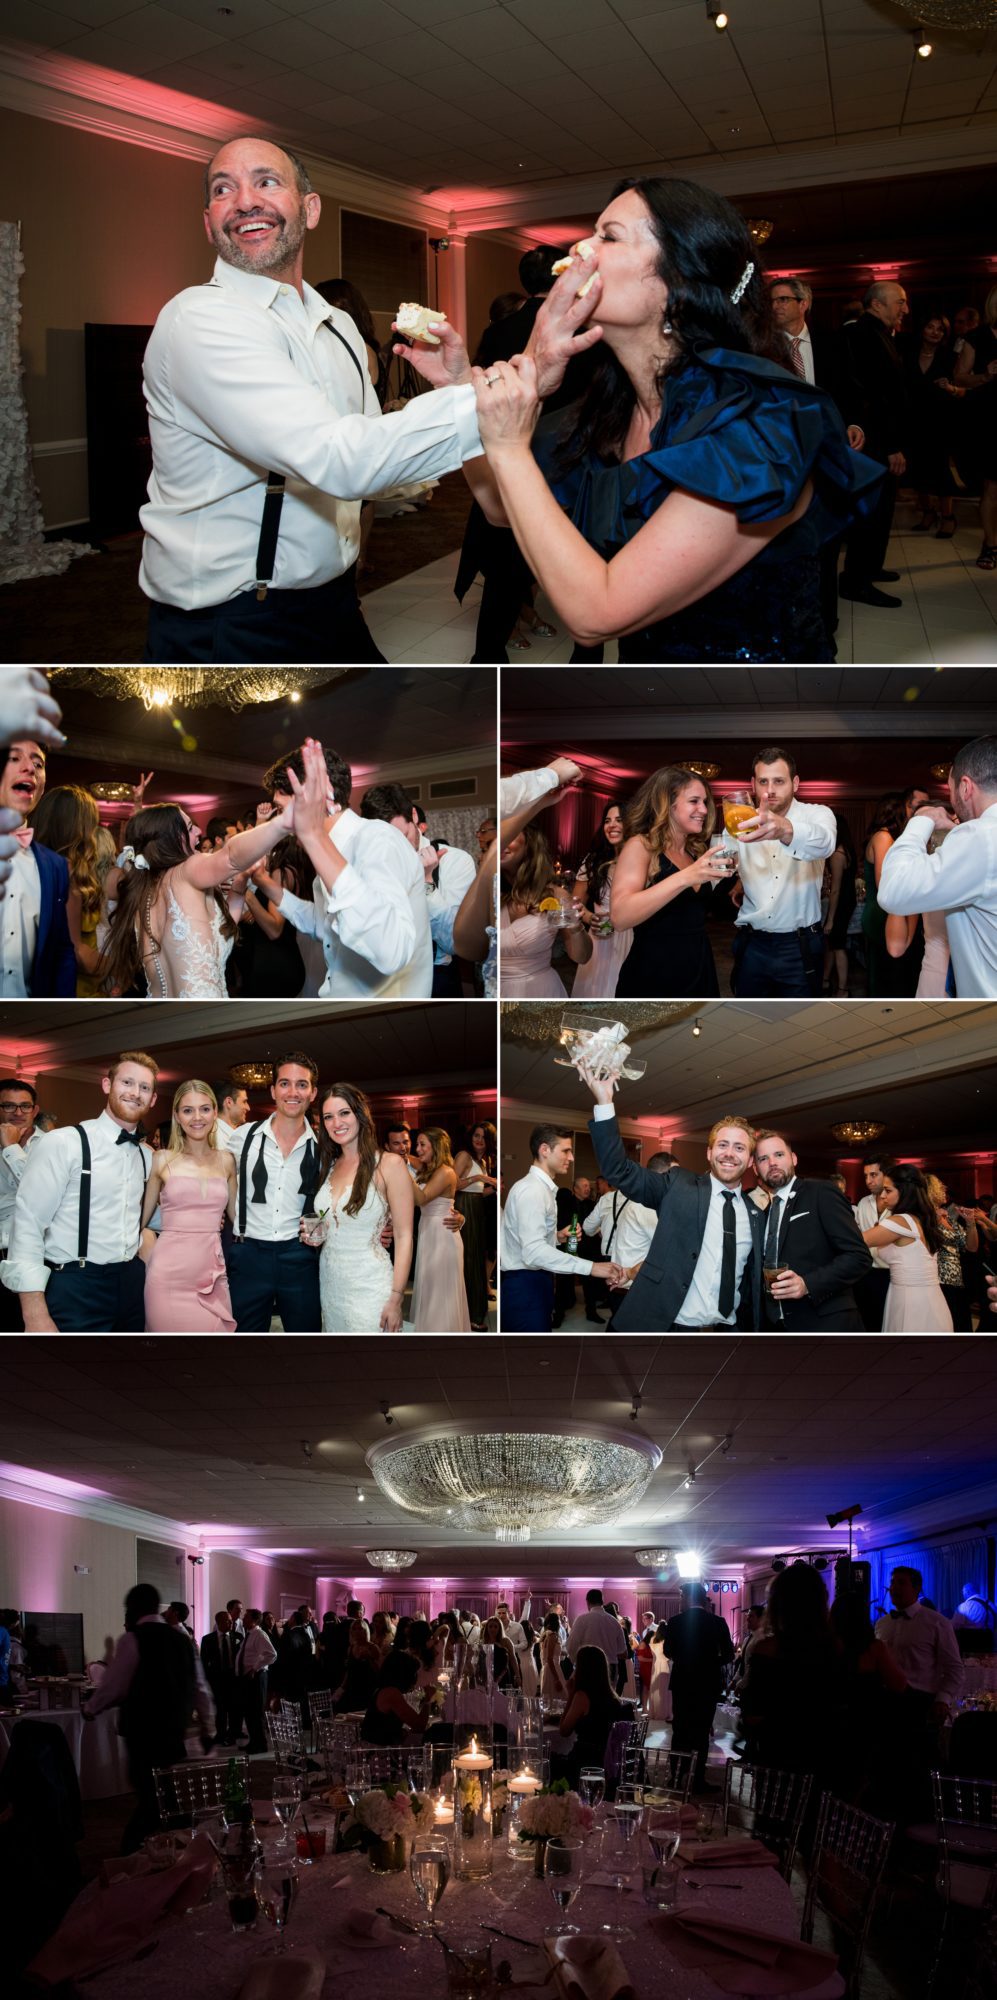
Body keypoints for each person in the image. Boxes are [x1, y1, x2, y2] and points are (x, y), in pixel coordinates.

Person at [450, 178, 882, 662]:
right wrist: (464, 393)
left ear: (678, 281)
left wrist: (509, 446)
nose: (579, 249)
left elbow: (595, 614)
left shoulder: (759, 421)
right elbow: (498, 505)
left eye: (608, 236)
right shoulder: (613, 409)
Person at [140, 136, 489, 663]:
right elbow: (337, 458)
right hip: (232, 624)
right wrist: (487, 398)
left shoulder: (339, 324)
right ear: (209, 223)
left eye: (266, 181)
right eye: (223, 189)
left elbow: (369, 459)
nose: (245, 201)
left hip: (335, 603)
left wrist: (455, 389)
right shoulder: (199, 319)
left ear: (311, 208)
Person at [581, 1070, 764, 1333]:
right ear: (709, 1152)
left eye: (739, 1148)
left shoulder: (755, 1214)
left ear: (749, 1160)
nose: (729, 1154)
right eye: (723, 1145)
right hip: (671, 1326)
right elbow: (618, 1170)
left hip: (727, 1330)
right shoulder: (678, 1186)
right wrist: (604, 1101)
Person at [252, 740, 433, 998]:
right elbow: (322, 924)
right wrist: (263, 881)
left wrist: (314, 837)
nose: (281, 824)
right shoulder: (330, 855)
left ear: (318, 799)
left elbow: (390, 949)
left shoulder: (377, 840)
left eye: (282, 810)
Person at [3, 1051, 158, 1333]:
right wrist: (34, 1313)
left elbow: (147, 1215)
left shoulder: (146, 1156)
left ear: (153, 1098)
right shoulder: (64, 1143)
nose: (135, 1093)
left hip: (131, 1284)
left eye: (144, 1087)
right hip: (75, 1286)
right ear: (107, 1085)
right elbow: (27, 1226)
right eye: (127, 1082)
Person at [99, 800, 297, 999]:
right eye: (190, 827)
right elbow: (231, 855)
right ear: (174, 838)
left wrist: (240, 883)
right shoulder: (186, 870)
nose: (199, 831)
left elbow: (218, 933)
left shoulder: (144, 892)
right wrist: (284, 822)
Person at [84, 1582, 204, 1852]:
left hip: (143, 1732)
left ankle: (129, 1852)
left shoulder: (132, 1639)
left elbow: (115, 1686)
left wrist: (90, 1708)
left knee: (151, 1794)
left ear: (133, 1608)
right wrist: (208, 1723)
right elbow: (199, 1686)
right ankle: (187, 1841)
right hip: (173, 1731)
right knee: (163, 1792)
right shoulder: (182, 1639)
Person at [877, 735, 997, 999]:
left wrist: (920, 821)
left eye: (950, 789)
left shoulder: (982, 836)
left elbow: (893, 890)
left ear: (965, 788)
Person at [218, 1051, 323, 1332]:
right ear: (273, 1090)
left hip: (300, 1257)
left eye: (302, 1084)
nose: (293, 1092)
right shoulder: (242, 1137)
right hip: (248, 1255)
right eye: (285, 1083)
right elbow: (212, 1177)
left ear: (313, 1093)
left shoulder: (323, 1148)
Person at [303, 1082, 413, 1334]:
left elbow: (404, 1235)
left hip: (370, 1283)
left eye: (344, 1113)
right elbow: (333, 1220)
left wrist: (397, 1298)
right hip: (330, 1282)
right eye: (328, 1117)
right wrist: (315, 1234)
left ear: (360, 1114)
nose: (336, 1123)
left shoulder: (389, 1164)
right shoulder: (329, 1166)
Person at [611, 766, 728, 999]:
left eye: (705, 802)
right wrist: (686, 877)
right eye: (694, 801)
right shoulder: (641, 846)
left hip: (699, 967)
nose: (704, 810)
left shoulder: (695, 852)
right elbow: (620, 917)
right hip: (654, 972)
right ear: (667, 804)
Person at [731, 748, 837, 998]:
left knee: (802, 1015)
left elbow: (826, 843)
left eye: (779, 781)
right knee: (748, 1013)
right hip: (752, 944)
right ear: (752, 785)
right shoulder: (737, 821)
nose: (770, 790)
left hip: (800, 946)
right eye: (763, 782)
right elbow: (726, 859)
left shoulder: (817, 814)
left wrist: (786, 830)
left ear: (795, 783)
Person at [500, 1125, 622, 1332]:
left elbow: (527, 1237)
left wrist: (557, 1237)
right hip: (525, 1282)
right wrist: (592, 1267)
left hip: (537, 1278)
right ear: (544, 1150)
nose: (571, 1157)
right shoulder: (532, 1191)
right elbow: (533, 1252)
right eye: (566, 1151)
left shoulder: (543, 1189)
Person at [360, 782, 476, 998]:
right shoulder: (372, 864)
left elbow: (454, 943)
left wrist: (426, 882)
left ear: (414, 816)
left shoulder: (455, 861)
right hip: (382, 978)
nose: (398, 847)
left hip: (437, 978)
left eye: (403, 835)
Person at [140, 1079, 237, 1332]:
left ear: (215, 1113)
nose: (197, 1117)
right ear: (177, 1116)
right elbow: (140, 1220)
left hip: (212, 1273)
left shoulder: (227, 1161)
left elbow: (238, 1219)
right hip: (168, 1277)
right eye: (187, 1110)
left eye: (204, 1109)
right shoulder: (161, 1159)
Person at [838, 279, 910, 609]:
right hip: (876, 441)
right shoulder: (862, 334)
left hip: (883, 437)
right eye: (900, 302)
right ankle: (856, 581)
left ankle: (870, 568)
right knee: (871, 512)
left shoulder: (881, 333)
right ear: (877, 304)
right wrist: (892, 445)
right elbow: (873, 397)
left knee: (882, 511)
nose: (905, 309)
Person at [753, 1130, 871, 1331]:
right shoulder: (764, 1214)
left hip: (826, 1322)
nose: (772, 1163)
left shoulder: (821, 1192)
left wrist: (808, 1284)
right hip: (780, 1326)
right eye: (763, 1159)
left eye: (779, 1155)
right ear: (756, 1168)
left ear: (794, 1158)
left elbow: (859, 1257)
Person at [740, 1564, 839, 1785]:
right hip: (826, 1754)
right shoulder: (837, 1649)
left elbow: (753, 1712)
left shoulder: (768, 1649)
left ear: (778, 1604)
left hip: (779, 1752)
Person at [874, 1566, 963, 1801]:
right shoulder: (882, 1623)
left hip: (919, 1703)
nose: (894, 1588)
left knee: (917, 1768)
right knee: (887, 1765)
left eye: (901, 1582)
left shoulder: (936, 1622)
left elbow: (954, 1668)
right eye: (893, 1582)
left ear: (917, 1588)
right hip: (886, 1702)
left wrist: (942, 1700)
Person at [0, 740, 75, 997]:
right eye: (14, 758)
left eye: (38, 763)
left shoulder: (55, 866)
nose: (30, 768)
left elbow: (61, 952)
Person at [500, 822, 592, 996]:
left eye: (510, 836)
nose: (501, 842)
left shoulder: (556, 896)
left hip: (539, 990)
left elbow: (582, 957)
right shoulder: (490, 896)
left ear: (530, 845)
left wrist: (576, 927)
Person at [29, 784, 104, 996]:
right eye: (92, 824)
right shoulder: (67, 872)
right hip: (76, 987)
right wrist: (120, 966)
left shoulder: (37, 865)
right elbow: (76, 951)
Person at [860, 1167, 953, 1332]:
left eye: (888, 1190)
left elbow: (855, 1241)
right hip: (931, 1296)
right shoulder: (921, 1219)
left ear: (905, 1192)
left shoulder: (900, 1221)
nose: (882, 1196)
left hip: (910, 1299)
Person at [664, 1583, 734, 1789]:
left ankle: (677, 1776)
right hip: (707, 1683)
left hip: (682, 1682)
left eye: (681, 1597)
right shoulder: (718, 1622)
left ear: (688, 1598)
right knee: (702, 1731)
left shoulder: (675, 1622)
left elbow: (668, 1651)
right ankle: (697, 1779)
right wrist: (710, 1663)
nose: (680, 1601)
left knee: (680, 1729)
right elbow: (729, 1654)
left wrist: (685, 1659)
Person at [410, 1127, 471, 1333]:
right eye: (417, 1144)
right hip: (428, 1231)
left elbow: (422, 1198)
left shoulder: (446, 1172)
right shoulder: (429, 1169)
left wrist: (402, 1173)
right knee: (429, 1288)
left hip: (442, 1235)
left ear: (436, 1146)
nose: (418, 1149)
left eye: (422, 1145)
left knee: (440, 1292)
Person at [904, 311, 959, 537]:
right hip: (914, 419)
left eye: (940, 329)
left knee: (940, 468)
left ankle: (948, 516)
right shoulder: (908, 353)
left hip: (940, 419)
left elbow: (960, 387)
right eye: (931, 327)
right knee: (917, 467)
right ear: (922, 329)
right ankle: (927, 512)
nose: (935, 332)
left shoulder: (949, 357)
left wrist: (950, 386)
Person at [570, 802, 633, 999]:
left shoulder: (641, 861)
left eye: (619, 820)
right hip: (599, 938)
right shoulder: (593, 861)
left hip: (632, 937)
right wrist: (590, 918)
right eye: (607, 821)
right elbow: (575, 903)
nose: (611, 825)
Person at [0, 1078, 46, 1333]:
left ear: (35, 1110)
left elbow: (37, 1191)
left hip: (36, 1256)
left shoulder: (52, 1145)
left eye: (25, 1106)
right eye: (9, 1105)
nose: (18, 1113)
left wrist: (10, 1147)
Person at [553, 1646, 628, 1790]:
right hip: (610, 1762)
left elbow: (564, 1730)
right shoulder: (613, 1699)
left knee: (551, 1760)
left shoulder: (582, 1697)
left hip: (585, 1762)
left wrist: (571, 1694)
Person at [453, 1121, 497, 1331]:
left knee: (477, 1260)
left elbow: (478, 1192)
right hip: (464, 1209)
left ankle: (476, 1311)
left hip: (477, 1209)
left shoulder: (484, 1159)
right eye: (476, 1135)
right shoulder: (464, 1155)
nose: (479, 1140)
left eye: (483, 1137)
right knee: (469, 1260)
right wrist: (479, 1176)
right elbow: (452, 1184)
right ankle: (469, 1315)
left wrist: (494, 1188)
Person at [926, 1174, 978, 1332]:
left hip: (956, 1280)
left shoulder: (949, 1218)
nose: (944, 1189)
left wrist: (970, 1222)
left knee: (960, 1326)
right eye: (940, 1186)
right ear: (929, 1191)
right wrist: (934, 1219)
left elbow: (972, 1247)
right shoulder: (924, 1217)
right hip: (938, 1280)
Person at [553, 1175, 606, 1328]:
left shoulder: (592, 1205)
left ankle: (591, 1312)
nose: (588, 1188)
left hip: (588, 1248)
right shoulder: (565, 1203)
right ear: (575, 1189)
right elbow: (560, 1223)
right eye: (584, 1186)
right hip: (568, 1246)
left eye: (588, 1186)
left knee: (590, 1282)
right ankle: (558, 1314)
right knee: (563, 1281)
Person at [853, 1153, 895, 1332]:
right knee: (866, 1323)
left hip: (891, 1274)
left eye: (874, 1175)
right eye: (866, 1176)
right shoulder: (863, 1202)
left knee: (888, 1323)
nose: (868, 1181)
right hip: (866, 1273)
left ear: (886, 1174)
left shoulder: (898, 1205)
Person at [362, 1651, 436, 1746]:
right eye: (413, 1674)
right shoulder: (391, 1693)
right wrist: (428, 1699)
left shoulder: (382, 1690)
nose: (415, 1679)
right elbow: (419, 1726)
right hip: (377, 1752)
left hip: (378, 1748)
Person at [822, 815, 857, 996]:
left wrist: (830, 919)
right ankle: (825, 980)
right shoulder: (847, 850)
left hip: (841, 902)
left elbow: (835, 890)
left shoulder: (838, 854)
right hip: (848, 899)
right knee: (833, 943)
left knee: (838, 944)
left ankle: (842, 989)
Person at [566, 1590, 629, 1688]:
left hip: (588, 1666)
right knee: (607, 1696)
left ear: (587, 1602)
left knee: (587, 1696)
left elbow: (571, 1646)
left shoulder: (582, 1619)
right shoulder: (614, 1622)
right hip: (610, 1668)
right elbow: (624, 1652)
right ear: (602, 1601)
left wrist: (577, 1663)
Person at [236, 1608, 277, 1754]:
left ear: (254, 1620)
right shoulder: (250, 1634)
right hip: (248, 1678)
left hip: (256, 1677)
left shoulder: (259, 1634)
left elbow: (272, 1654)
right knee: (249, 1712)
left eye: (246, 1617)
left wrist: (254, 1668)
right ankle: (254, 1742)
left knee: (256, 1711)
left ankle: (260, 1744)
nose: (243, 1619)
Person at [200, 1610, 241, 1747]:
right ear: (218, 1622)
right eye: (227, 1621)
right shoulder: (207, 1639)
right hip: (217, 1680)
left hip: (234, 1679)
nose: (231, 1622)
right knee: (220, 1709)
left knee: (233, 1709)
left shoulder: (238, 1637)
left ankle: (232, 1735)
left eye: (231, 1620)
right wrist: (207, 1681)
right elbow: (204, 1661)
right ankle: (221, 1734)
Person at [648, 1621, 672, 1721]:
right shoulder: (667, 1640)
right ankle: (665, 1712)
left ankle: (655, 1712)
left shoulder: (653, 1639)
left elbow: (653, 1654)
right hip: (666, 1664)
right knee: (665, 1690)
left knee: (656, 1689)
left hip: (656, 1664)